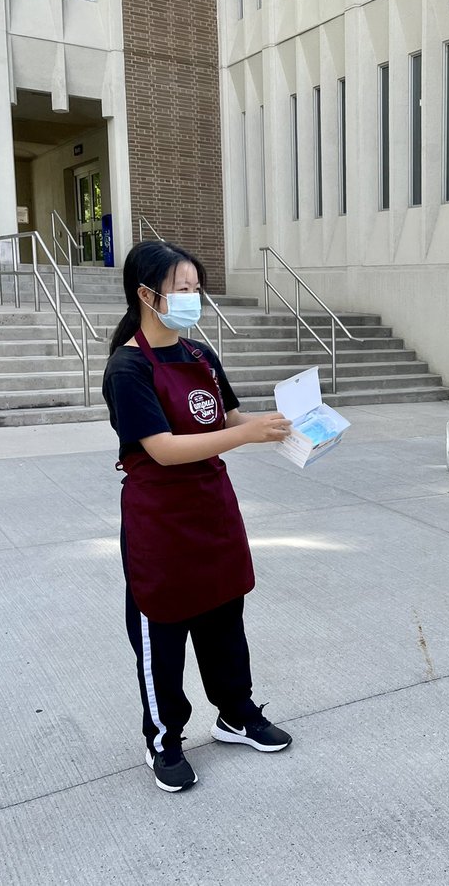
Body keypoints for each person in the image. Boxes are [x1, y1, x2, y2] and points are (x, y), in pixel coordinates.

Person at [103, 241, 295, 792]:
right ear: (147, 295)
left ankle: (236, 713)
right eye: (182, 289)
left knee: (223, 620)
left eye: (196, 288)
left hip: (211, 510)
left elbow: (230, 417)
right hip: (159, 520)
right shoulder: (128, 366)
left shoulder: (201, 356)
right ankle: (164, 740)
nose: (194, 299)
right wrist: (243, 434)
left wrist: (284, 423)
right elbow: (161, 447)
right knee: (161, 633)